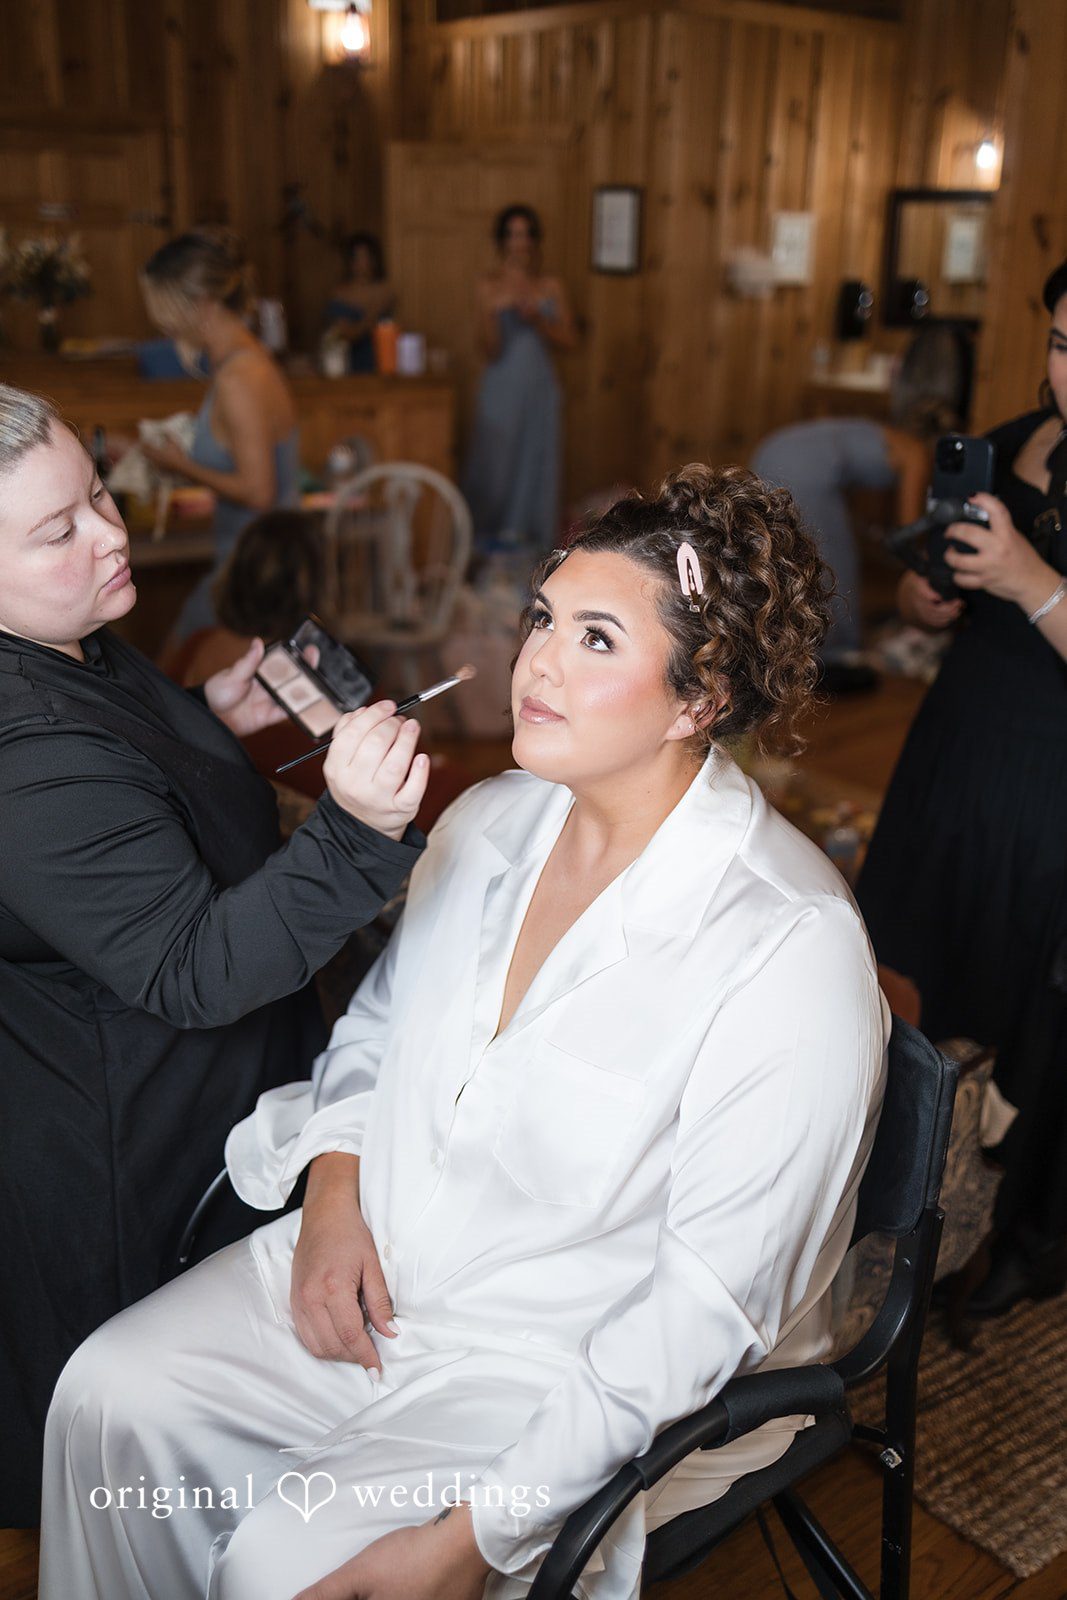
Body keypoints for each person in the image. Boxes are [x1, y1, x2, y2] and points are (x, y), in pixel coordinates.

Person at [41, 463, 888, 1600]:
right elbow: (377, 1030)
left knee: (283, 1563)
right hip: (380, 1257)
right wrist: (334, 1184)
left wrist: (468, 1537)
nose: (533, 659)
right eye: (543, 617)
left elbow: (702, 1310)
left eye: (594, 639)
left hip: (556, 1358)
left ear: (699, 699)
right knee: (107, 1392)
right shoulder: (487, 819)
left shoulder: (788, 947)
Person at [0, 384, 431, 1526]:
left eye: (98, 491)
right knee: (172, 1452)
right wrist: (353, 831)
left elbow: (123, 763)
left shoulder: (59, 633)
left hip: (205, 1068)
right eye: (58, 531)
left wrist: (209, 719)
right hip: (136, 1115)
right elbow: (192, 969)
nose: (110, 533)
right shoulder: (17, 753)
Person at [857, 259, 1067, 1317]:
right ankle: (881, 1183)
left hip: (1051, 778)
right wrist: (928, 589)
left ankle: (981, 1227)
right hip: (958, 737)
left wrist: (1029, 580)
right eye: (1063, 344)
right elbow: (921, 582)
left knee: (1004, 991)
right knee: (898, 950)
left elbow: (1028, 588)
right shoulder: (1008, 439)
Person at [751, 326, 970, 693]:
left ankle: (788, 644)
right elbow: (911, 529)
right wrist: (925, 574)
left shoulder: (884, 435)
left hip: (773, 452)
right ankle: (836, 655)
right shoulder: (916, 453)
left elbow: (844, 484)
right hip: (800, 468)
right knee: (833, 568)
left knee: (795, 561)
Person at [136, 228, 302, 641]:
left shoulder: (240, 378)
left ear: (199, 305)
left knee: (175, 675)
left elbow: (258, 492)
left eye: (167, 313)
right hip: (255, 562)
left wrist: (180, 464)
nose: (165, 327)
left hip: (254, 572)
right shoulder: (243, 363)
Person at [463, 204, 577, 558]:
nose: (519, 242)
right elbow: (488, 349)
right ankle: (486, 547)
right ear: (502, 241)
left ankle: (531, 548)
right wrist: (496, 313)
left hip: (540, 385)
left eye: (526, 233)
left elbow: (570, 340)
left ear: (534, 240)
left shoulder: (550, 285)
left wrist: (537, 320)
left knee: (537, 462)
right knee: (495, 463)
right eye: (512, 234)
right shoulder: (488, 285)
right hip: (502, 385)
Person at [323, 232, 395, 374]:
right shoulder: (340, 294)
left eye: (368, 257)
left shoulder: (386, 292)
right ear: (350, 261)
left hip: (382, 367)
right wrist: (371, 318)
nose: (364, 264)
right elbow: (343, 334)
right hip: (349, 367)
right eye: (358, 258)